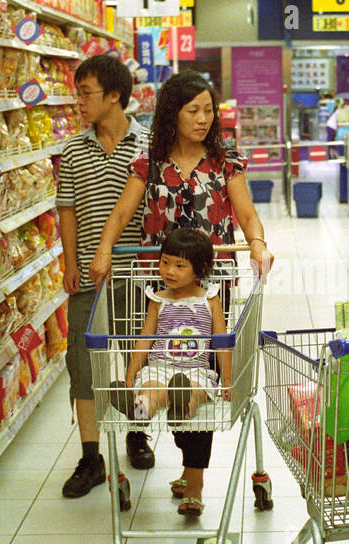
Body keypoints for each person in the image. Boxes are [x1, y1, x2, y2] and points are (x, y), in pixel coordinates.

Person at [91, 70, 274, 507]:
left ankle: (193, 480)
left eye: (209, 109)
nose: (204, 118)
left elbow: (247, 215)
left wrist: (259, 246)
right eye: (194, 110)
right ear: (172, 113)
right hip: (156, 283)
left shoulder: (226, 162)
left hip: (210, 285)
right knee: (165, 367)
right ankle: (163, 428)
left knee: (202, 372)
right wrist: (103, 251)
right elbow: (120, 214)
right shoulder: (149, 162)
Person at [56, 55, 155, 500]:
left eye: (85, 93)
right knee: (84, 363)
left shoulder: (148, 144)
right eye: (77, 93)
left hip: (138, 275)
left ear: (114, 95)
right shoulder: (73, 150)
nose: (78, 101)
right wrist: (70, 262)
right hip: (90, 279)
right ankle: (91, 457)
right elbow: (68, 211)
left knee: (138, 358)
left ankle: (137, 432)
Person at [107, 229, 232, 516]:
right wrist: (130, 375)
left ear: (200, 269)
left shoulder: (210, 299)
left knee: (195, 391)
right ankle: (140, 408)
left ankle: (181, 405)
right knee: (153, 387)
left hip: (196, 370)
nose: (169, 271)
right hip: (161, 367)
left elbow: (222, 342)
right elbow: (144, 339)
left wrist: (227, 379)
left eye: (179, 265)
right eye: (164, 262)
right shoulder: (158, 299)